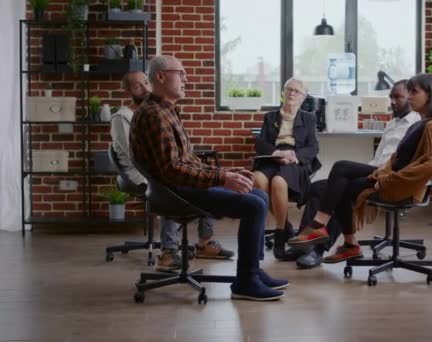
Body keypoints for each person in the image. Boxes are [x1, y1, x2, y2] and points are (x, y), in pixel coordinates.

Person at [130, 56, 287, 301]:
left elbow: (185, 160)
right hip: (174, 192)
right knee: (254, 204)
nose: (186, 79)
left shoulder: (166, 110)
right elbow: (172, 169)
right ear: (160, 76)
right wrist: (221, 178)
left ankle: (252, 271)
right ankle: (245, 282)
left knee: (259, 194)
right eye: (180, 74)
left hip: (180, 185)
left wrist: (227, 173)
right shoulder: (154, 115)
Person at [287, 73, 432, 265]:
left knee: (340, 175)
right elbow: (396, 159)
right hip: (386, 175)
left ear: (430, 95)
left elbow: (431, 167)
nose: (410, 97)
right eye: (409, 92)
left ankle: (321, 237)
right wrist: (381, 172)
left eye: (414, 92)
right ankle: (336, 242)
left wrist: (387, 177)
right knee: (328, 185)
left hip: (400, 185)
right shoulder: (419, 123)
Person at [110, 71, 234, 273]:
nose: (144, 88)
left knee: (203, 176)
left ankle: (204, 242)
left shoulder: (159, 111)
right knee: (169, 182)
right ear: (127, 91)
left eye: (146, 83)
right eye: (137, 86)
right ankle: (168, 252)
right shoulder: (122, 117)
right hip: (137, 173)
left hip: (154, 169)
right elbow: (132, 152)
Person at [252, 77, 321, 261]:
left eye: (296, 91)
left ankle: (281, 234)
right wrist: (275, 153)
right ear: (283, 93)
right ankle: (287, 225)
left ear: (303, 97)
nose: (291, 93)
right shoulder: (270, 117)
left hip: (294, 161)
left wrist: (293, 156)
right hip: (272, 157)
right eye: (288, 89)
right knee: (257, 180)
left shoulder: (309, 118)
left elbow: (313, 147)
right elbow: (260, 143)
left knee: (278, 182)